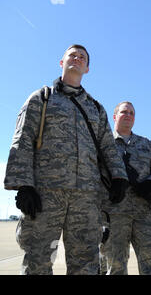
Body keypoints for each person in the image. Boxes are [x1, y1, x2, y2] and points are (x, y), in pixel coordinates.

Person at [4, 44, 128, 275]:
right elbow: (22, 139)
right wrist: (23, 185)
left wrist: (119, 176)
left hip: (86, 196)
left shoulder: (95, 108)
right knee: (38, 260)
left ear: (87, 69)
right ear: (62, 63)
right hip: (45, 194)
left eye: (82, 57)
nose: (77, 58)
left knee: (86, 263)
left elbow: (108, 147)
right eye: (72, 55)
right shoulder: (41, 98)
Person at [104, 101, 151, 275]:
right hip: (114, 213)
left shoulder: (146, 144)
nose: (129, 115)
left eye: (132, 113)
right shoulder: (104, 144)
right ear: (115, 116)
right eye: (124, 112)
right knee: (115, 266)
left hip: (145, 212)